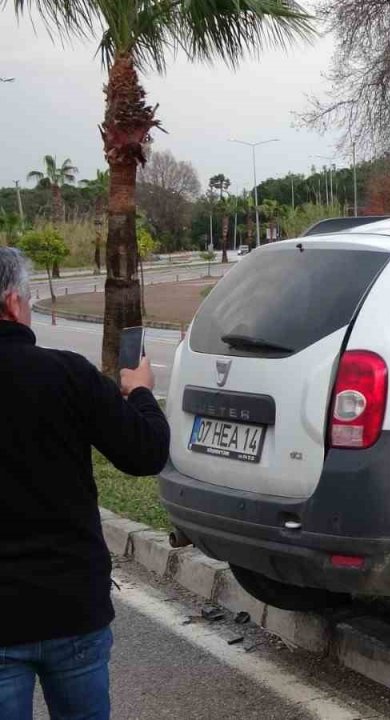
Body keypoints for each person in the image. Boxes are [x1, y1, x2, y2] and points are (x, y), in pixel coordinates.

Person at [0, 247, 169, 720]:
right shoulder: (67, 374)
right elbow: (146, 452)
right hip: (69, 607)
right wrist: (139, 392)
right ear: (14, 303)